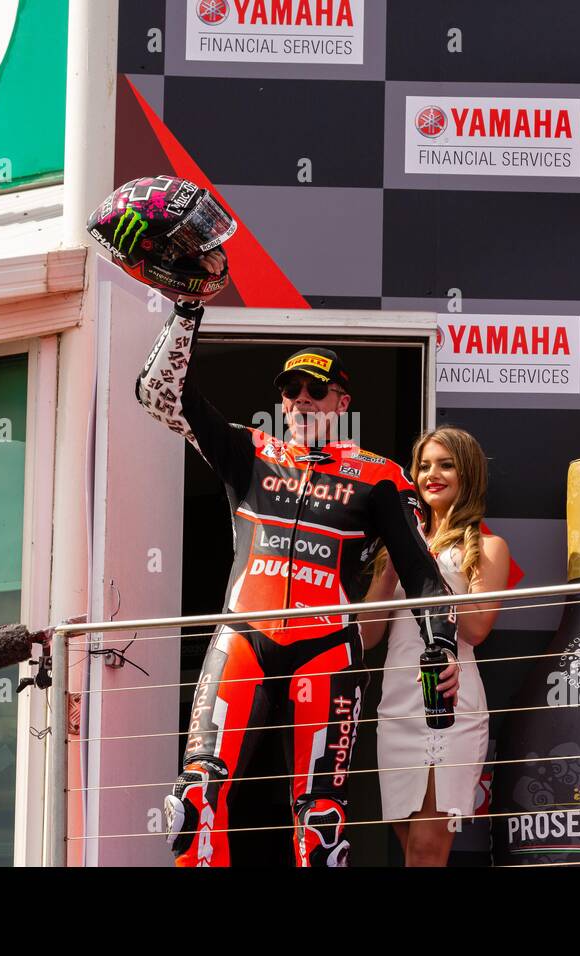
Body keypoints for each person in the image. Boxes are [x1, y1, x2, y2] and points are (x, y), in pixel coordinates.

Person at [90, 174, 460, 867]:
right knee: (192, 801)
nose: (298, 399)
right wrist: (188, 309)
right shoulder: (247, 450)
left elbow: (422, 573)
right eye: (288, 388)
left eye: (315, 389)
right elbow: (157, 396)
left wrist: (439, 650)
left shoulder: (378, 474)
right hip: (244, 639)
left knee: (321, 823)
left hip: (328, 647)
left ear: (342, 398)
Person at [358, 427, 512, 867]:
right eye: (424, 466)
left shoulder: (487, 546)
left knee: (428, 848)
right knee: (413, 849)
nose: (432, 474)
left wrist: (424, 566)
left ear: (469, 474)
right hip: (397, 706)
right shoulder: (394, 549)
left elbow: (478, 627)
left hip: (449, 702)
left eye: (445, 464)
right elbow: (369, 636)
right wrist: (393, 564)